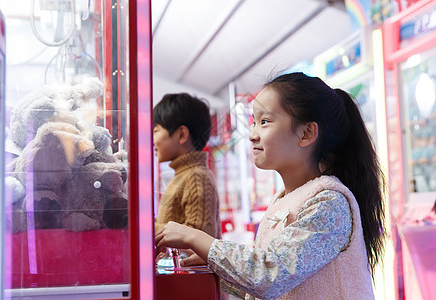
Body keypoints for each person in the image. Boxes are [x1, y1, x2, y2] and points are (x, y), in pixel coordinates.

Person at [155, 72, 386, 299]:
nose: (252, 135)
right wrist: (216, 263)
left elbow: (269, 275)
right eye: (254, 122)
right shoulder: (284, 199)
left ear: (306, 133)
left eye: (264, 122)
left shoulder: (329, 202)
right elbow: (268, 280)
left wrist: (197, 239)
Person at [153, 92, 221, 239]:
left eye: (156, 131)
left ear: (182, 135)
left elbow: (198, 242)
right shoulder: (186, 174)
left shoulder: (196, 177)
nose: (152, 140)